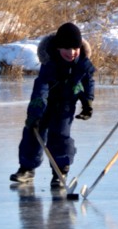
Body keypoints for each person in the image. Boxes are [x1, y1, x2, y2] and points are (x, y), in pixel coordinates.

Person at [10, 22, 95, 193]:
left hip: (66, 104)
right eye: (66, 48)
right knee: (33, 133)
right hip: (46, 102)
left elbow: (88, 82)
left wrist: (87, 102)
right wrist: (34, 112)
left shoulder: (83, 64)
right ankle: (27, 169)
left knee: (61, 136)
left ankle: (60, 172)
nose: (71, 53)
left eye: (75, 48)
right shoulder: (50, 64)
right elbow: (41, 89)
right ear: (57, 48)